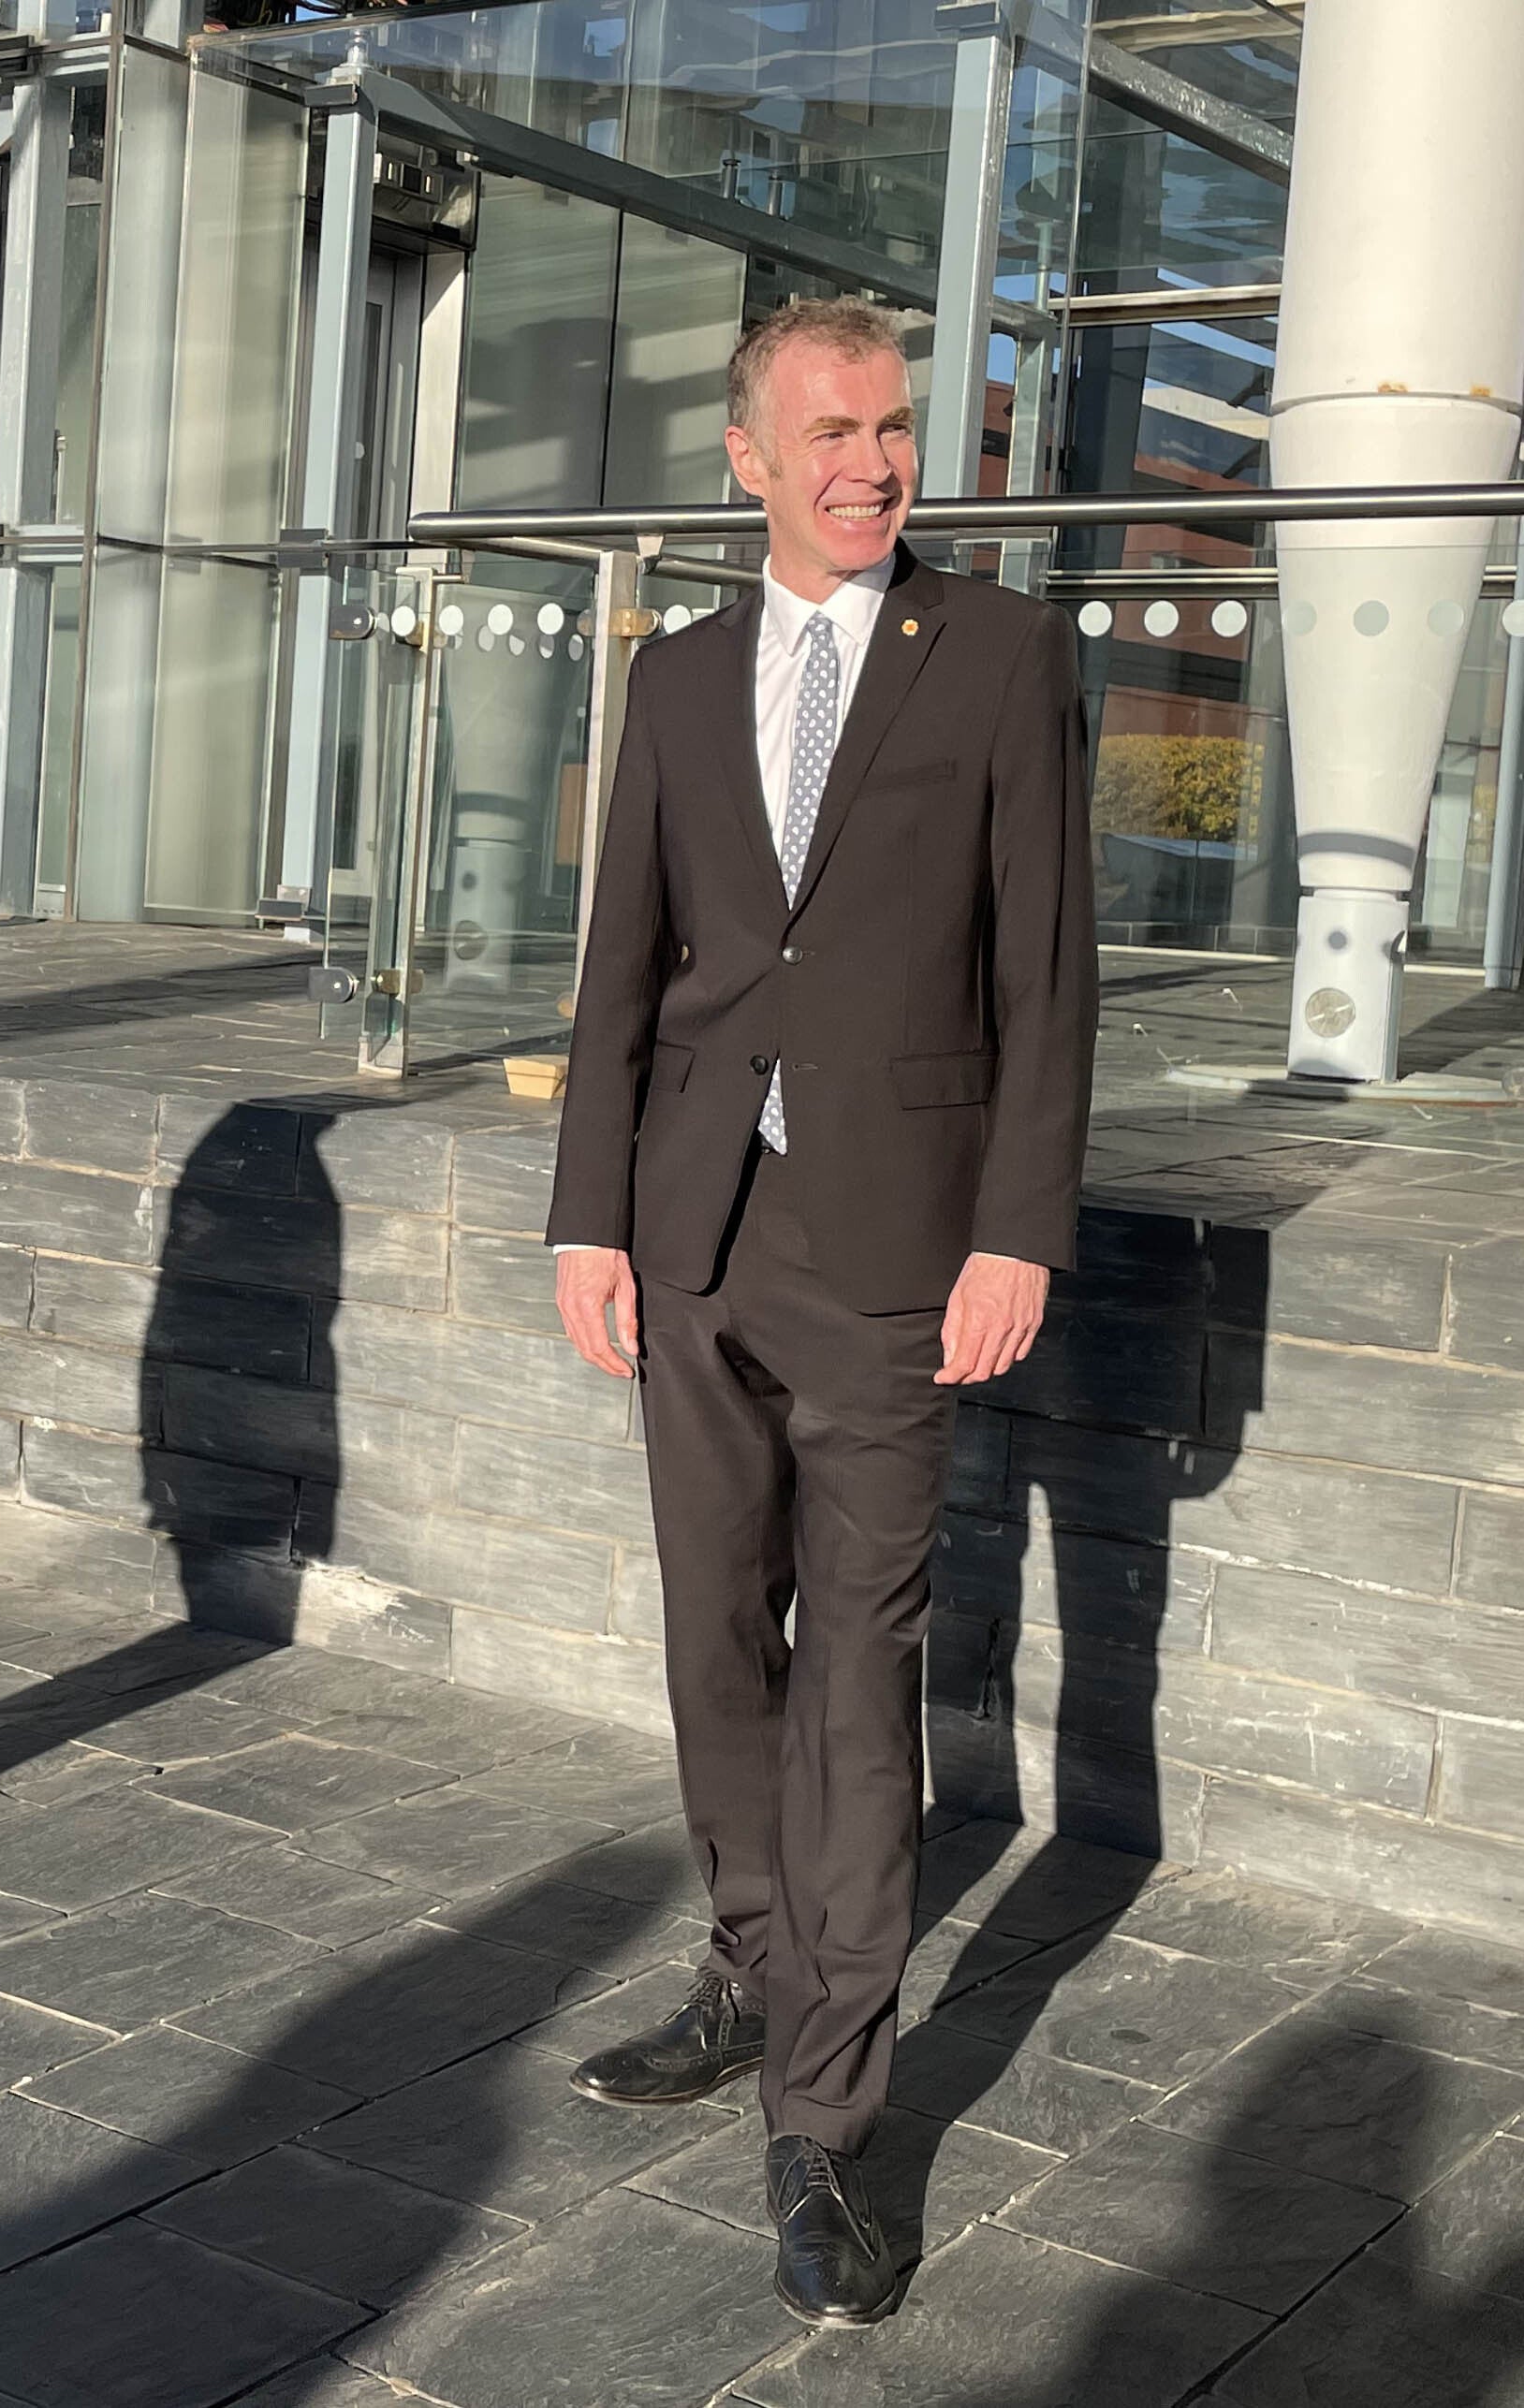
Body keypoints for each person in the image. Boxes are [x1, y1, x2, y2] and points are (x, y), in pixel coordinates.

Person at [545, 297, 1093, 2328]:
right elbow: (624, 970)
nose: (870, 462)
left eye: (891, 429)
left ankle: (829, 2124)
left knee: (859, 1678)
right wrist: (585, 1219)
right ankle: (751, 1962)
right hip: (687, 1231)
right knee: (715, 1641)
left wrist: (1016, 1230)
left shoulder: (1005, 655)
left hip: (894, 1247)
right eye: (832, 431)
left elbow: (1047, 973)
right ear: (745, 458)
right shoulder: (677, 679)